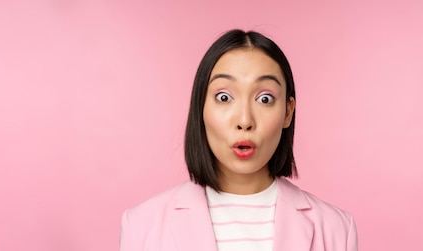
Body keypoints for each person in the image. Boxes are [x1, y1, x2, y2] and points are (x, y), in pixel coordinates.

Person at [119, 29, 358, 251]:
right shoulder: (141, 225)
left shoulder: (337, 229)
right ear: (200, 108)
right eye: (224, 97)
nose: (244, 120)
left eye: (264, 99)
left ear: (287, 111)